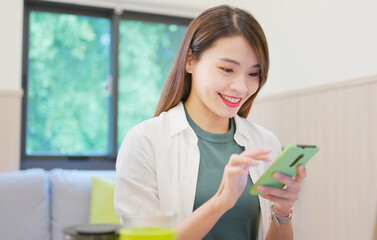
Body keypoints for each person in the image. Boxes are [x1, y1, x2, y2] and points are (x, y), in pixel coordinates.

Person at [114, 5, 306, 240]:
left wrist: (282, 212)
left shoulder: (265, 143)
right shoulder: (144, 142)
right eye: (227, 69)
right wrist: (219, 203)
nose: (242, 87)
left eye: (253, 73)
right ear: (190, 61)